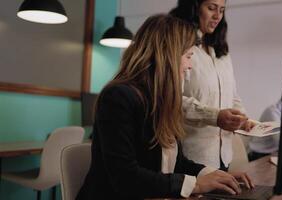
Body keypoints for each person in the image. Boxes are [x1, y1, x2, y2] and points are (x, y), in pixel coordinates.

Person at [76, 14, 253, 200]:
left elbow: (176, 163)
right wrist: (196, 185)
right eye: (188, 56)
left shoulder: (163, 101)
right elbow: (125, 178)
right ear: (167, 54)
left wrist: (215, 176)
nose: (189, 65)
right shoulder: (118, 98)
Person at [169, 0, 255, 170]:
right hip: (192, 156)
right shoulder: (181, 48)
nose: (217, 16)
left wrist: (243, 119)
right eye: (211, 8)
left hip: (224, 156)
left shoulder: (222, 51)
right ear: (194, 8)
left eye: (222, 10)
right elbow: (173, 100)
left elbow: (232, 95)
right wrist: (214, 116)